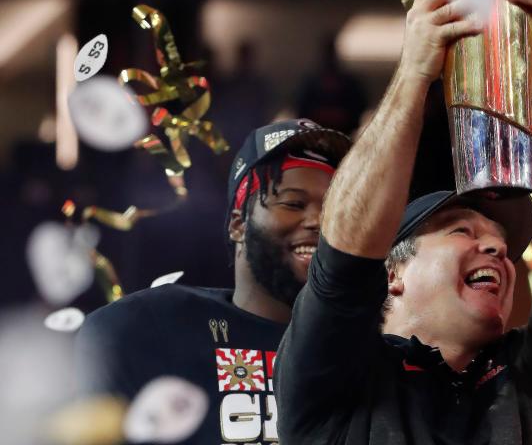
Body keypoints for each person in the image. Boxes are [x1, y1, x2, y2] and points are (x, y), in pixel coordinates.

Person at [274, 0, 532, 444]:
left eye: (502, 243)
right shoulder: (333, 381)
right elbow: (344, 254)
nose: (496, 248)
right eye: (461, 230)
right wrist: (415, 70)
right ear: (393, 273)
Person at [75, 119, 351, 445]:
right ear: (238, 224)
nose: (319, 222)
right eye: (293, 203)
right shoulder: (146, 329)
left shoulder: (363, 347)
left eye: (334, 209)